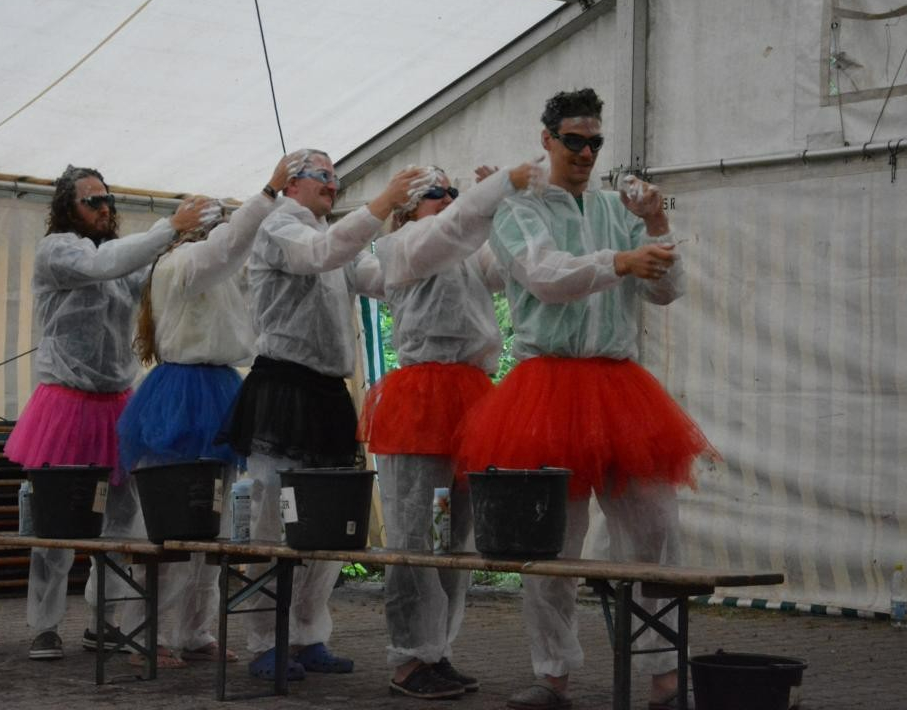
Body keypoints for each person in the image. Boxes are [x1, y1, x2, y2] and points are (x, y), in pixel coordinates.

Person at [457, 88, 715, 710]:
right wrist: (621, 260)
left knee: (655, 531)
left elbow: (667, 291)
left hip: (619, 387)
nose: (586, 152)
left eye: (595, 142)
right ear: (547, 139)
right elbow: (545, 277)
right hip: (545, 388)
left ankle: (664, 676)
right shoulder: (516, 209)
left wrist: (656, 225)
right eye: (574, 140)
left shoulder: (615, 209)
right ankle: (552, 675)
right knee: (551, 545)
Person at [223, 149, 419, 682]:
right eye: (323, 176)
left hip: (329, 391)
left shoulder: (333, 233)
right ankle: (266, 640)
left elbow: (374, 276)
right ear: (291, 184)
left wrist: (419, 243)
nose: (333, 184)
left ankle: (309, 633)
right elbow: (318, 254)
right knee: (273, 515)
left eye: (336, 176)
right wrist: (382, 204)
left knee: (331, 521)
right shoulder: (278, 226)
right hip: (284, 386)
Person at [4, 165, 210, 661]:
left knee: (123, 520)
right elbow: (105, 265)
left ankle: (106, 621)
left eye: (107, 200)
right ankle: (45, 626)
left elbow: (149, 276)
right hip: (65, 403)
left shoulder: (118, 257)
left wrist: (188, 243)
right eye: (92, 201)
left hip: (115, 401)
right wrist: (169, 227)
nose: (104, 208)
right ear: (67, 208)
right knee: (56, 525)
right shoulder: (58, 251)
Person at [358, 162, 541, 700]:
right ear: (406, 209)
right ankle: (409, 658)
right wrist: (490, 192)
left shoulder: (463, 248)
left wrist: (511, 209)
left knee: (456, 532)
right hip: (421, 399)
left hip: (471, 397)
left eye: (451, 191)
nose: (447, 198)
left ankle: (437, 649)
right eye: (434, 193)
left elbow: (511, 266)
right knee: (415, 531)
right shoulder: (403, 245)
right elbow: (452, 231)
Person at [113, 155, 294, 669]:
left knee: (212, 521)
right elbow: (227, 248)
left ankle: (192, 630)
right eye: (216, 222)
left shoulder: (213, 269)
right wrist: (268, 194)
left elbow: (235, 256)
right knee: (170, 524)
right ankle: (144, 633)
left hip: (216, 388)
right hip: (183, 395)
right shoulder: (183, 263)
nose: (224, 231)